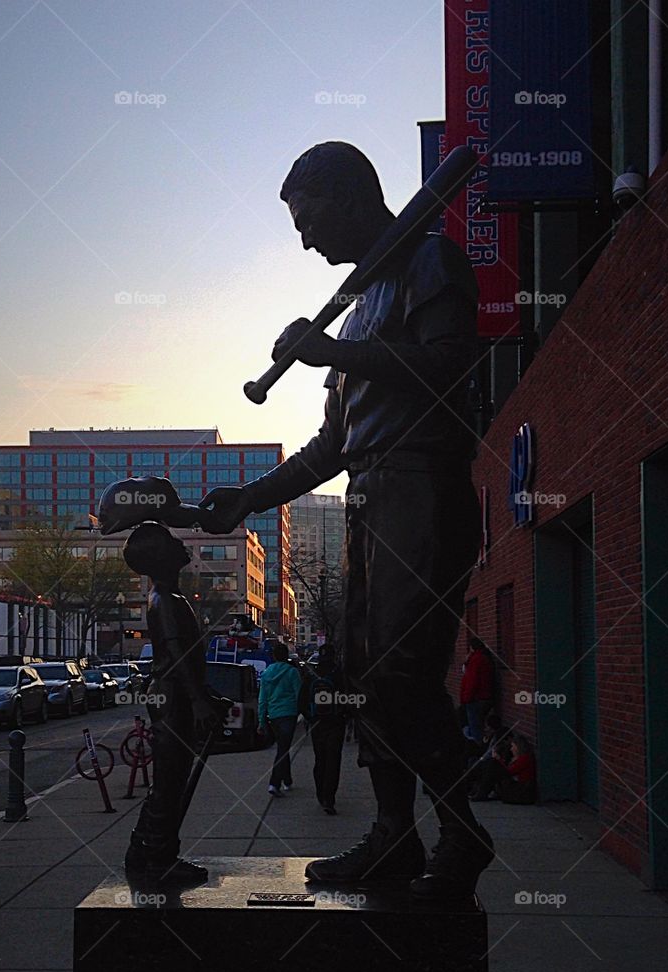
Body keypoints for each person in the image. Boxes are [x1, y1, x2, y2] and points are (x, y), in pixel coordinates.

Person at [200, 141, 493, 902]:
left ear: (354, 196)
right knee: (364, 679)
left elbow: (450, 369)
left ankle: (461, 835)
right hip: (371, 493)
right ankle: (394, 834)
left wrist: (334, 349)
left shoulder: (432, 261)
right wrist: (247, 498)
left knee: (401, 673)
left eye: (309, 218)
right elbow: (333, 447)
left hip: (422, 487)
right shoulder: (362, 302)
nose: (303, 239)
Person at [121, 521, 227, 882]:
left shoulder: (173, 597)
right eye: (171, 540)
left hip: (175, 694)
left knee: (170, 779)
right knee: (168, 781)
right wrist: (198, 700)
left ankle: (145, 853)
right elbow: (178, 654)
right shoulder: (163, 599)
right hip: (172, 699)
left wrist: (205, 693)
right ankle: (156, 857)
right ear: (161, 557)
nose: (181, 543)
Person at [258, 642, 302, 796]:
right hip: (289, 714)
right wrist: (302, 713)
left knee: (283, 747)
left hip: (274, 715)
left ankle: (287, 780)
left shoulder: (266, 674)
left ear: (274, 656)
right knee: (283, 749)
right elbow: (299, 695)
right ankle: (274, 783)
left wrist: (262, 720)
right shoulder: (292, 673)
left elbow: (262, 699)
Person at [309, 643, 346, 814]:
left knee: (320, 759)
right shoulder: (339, 675)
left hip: (317, 723)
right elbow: (349, 697)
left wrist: (309, 716)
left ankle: (320, 793)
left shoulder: (312, 674)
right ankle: (328, 798)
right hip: (335, 723)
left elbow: (302, 699)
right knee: (333, 761)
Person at [470, 732, 537, 804]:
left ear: (518, 747)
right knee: (489, 765)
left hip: (520, 790)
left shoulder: (525, 759)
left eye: (512, 746)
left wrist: (498, 760)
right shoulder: (519, 758)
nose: (511, 749)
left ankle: (477, 789)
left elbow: (509, 771)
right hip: (515, 787)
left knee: (492, 764)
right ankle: (477, 789)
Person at [459, 635, 494, 743]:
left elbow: (471, 681)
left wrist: (466, 699)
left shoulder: (476, 660)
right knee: (480, 726)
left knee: (476, 729)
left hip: (476, 699)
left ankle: (477, 750)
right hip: (485, 697)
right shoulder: (485, 657)